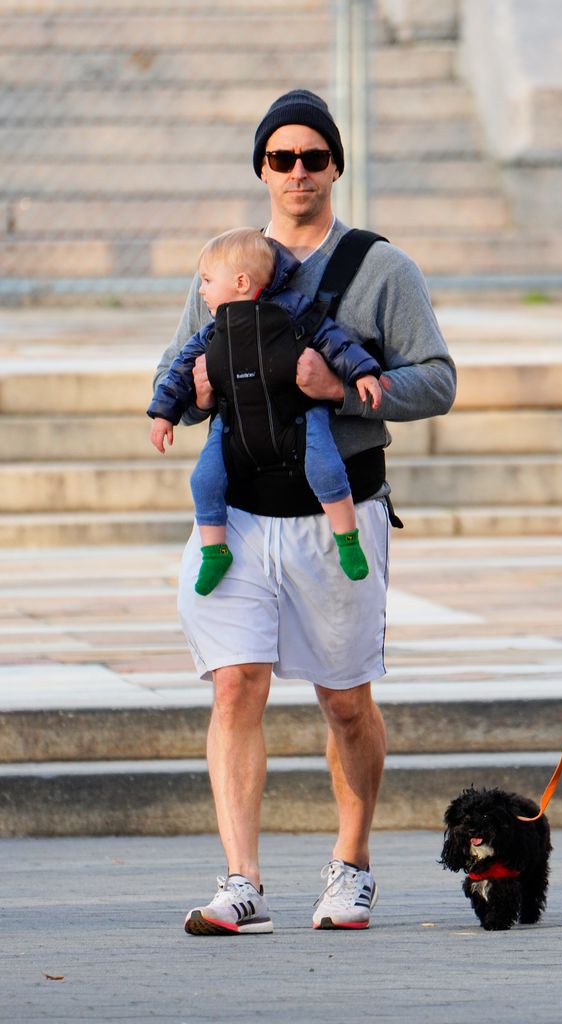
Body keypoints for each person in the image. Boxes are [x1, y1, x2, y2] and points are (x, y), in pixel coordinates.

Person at [153, 89, 456, 935]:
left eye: (312, 158)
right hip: (239, 513)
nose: (297, 172)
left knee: (345, 701)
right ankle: (241, 881)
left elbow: (438, 378)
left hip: (337, 513)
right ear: (261, 168)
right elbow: (179, 369)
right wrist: (187, 399)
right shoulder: (224, 264)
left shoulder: (379, 268)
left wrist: (350, 390)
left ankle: (351, 865)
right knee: (235, 685)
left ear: (334, 167)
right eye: (281, 158)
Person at [148, 227, 384, 592]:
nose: (201, 290)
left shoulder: (294, 313)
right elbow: (179, 371)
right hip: (235, 424)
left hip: (300, 416)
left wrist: (362, 374)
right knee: (203, 480)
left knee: (325, 467)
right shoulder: (212, 331)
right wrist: (165, 414)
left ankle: (348, 539)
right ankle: (214, 552)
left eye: (208, 281)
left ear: (241, 281)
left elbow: (334, 341)